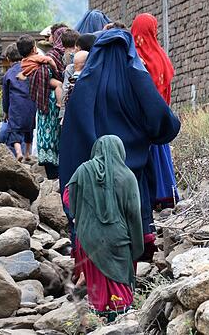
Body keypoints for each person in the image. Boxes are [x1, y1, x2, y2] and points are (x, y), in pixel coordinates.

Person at [58, 29, 180, 260]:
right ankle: (132, 260)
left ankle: (98, 264)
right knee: (133, 210)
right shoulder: (137, 80)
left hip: (98, 168)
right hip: (133, 167)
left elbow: (72, 133)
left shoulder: (85, 84)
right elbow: (160, 118)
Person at [63, 135, 144, 316]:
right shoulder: (127, 176)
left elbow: (67, 196)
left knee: (96, 285)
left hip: (87, 237)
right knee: (119, 283)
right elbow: (133, 213)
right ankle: (121, 318)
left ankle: (99, 318)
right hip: (117, 238)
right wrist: (137, 244)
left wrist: (81, 213)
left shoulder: (83, 170)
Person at [131, 13, 179, 208]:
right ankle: (165, 194)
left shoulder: (133, 57)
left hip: (140, 119)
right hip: (161, 117)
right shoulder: (161, 57)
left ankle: (147, 198)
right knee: (160, 153)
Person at [20, 28, 68, 179]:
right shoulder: (51, 57)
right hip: (51, 104)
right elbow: (49, 73)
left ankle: (54, 174)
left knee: (51, 138)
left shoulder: (28, 61)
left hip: (44, 105)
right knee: (54, 137)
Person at [2, 43, 36, 161]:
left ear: (8, 58)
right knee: (29, 129)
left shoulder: (8, 74)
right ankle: (27, 154)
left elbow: (5, 96)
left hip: (16, 106)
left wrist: (5, 111)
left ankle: (18, 152)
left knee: (14, 130)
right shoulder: (30, 69)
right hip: (31, 104)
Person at [60, 50, 88, 124]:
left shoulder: (71, 79)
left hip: (71, 113)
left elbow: (65, 92)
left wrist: (63, 114)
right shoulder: (86, 78)